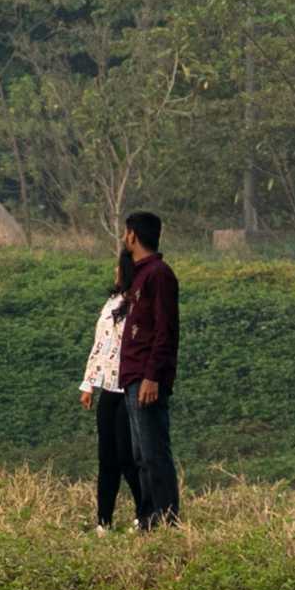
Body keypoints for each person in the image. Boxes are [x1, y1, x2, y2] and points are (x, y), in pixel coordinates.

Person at [108, 210, 182, 528]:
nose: (124, 238)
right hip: (133, 375)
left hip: (147, 376)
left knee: (154, 452)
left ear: (133, 235)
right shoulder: (138, 276)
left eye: (126, 233)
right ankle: (149, 517)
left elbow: (166, 331)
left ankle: (166, 518)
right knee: (140, 455)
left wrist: (153, 375)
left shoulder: (159, 274)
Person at [76, 262, 134, 531]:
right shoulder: (112, 301)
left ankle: (144, 512)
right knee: (107, 457)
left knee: (127, 455)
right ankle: (104, 521)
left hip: (130, 387)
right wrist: (88, 383)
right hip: (108, 388)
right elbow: (100, 343)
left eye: (119, 269)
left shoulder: (139, 302)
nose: (115, 273)